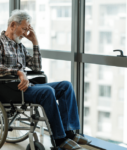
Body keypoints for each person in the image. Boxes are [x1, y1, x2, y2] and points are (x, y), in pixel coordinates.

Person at [0, 10, 91, 149]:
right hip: (11, 89)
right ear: (13, 25)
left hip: (26, 86)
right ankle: (60, 140)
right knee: (47, 91)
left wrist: (35, 42)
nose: (25, 33)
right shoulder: (1, 43)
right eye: (24, 29)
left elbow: (36, 66)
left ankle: (68, 133)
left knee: (66, 86)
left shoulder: (20, 46)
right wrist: (18, 72)